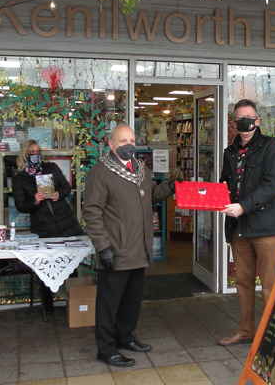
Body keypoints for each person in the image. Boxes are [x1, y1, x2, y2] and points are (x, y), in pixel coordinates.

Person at [82, 124, 176, 367]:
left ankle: (126, 337)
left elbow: (152, 194)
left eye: (132, 139)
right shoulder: (99, 173)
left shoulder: (140, 169)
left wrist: (172, 187)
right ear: (111, 144)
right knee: (109, 304)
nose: (129, 144)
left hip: (139, 249)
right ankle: (106, 348)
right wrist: (103, 247)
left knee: (132, 300)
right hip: (116, 249)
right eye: (123, 140)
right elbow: (91, 212)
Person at [218, 99, 275, 346]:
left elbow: (273, 184)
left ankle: (273, 335)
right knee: (244, 281)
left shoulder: (270, 146)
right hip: (239, 228)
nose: (245, 122)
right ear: (234, 122)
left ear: (257, 120)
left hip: (266, 226)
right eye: (240, 118)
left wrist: (244, 206)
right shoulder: (230, 152)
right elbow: (225, 183)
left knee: (269, 284)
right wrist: (215, 197)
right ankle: (246, 330)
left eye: (249, 117)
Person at [13, 139, 84, 312]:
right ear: (25, 155)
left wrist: (58, 194)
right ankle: (48, 306)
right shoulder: (20, 178)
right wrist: (34, 201)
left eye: (38, 152)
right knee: (45, 266)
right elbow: (21, 206)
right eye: (32, 152)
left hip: (66, 222)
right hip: (43, 227)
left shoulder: (51, 167)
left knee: (71, 263)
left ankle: (73, 305)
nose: (36, 155)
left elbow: (67, 187)